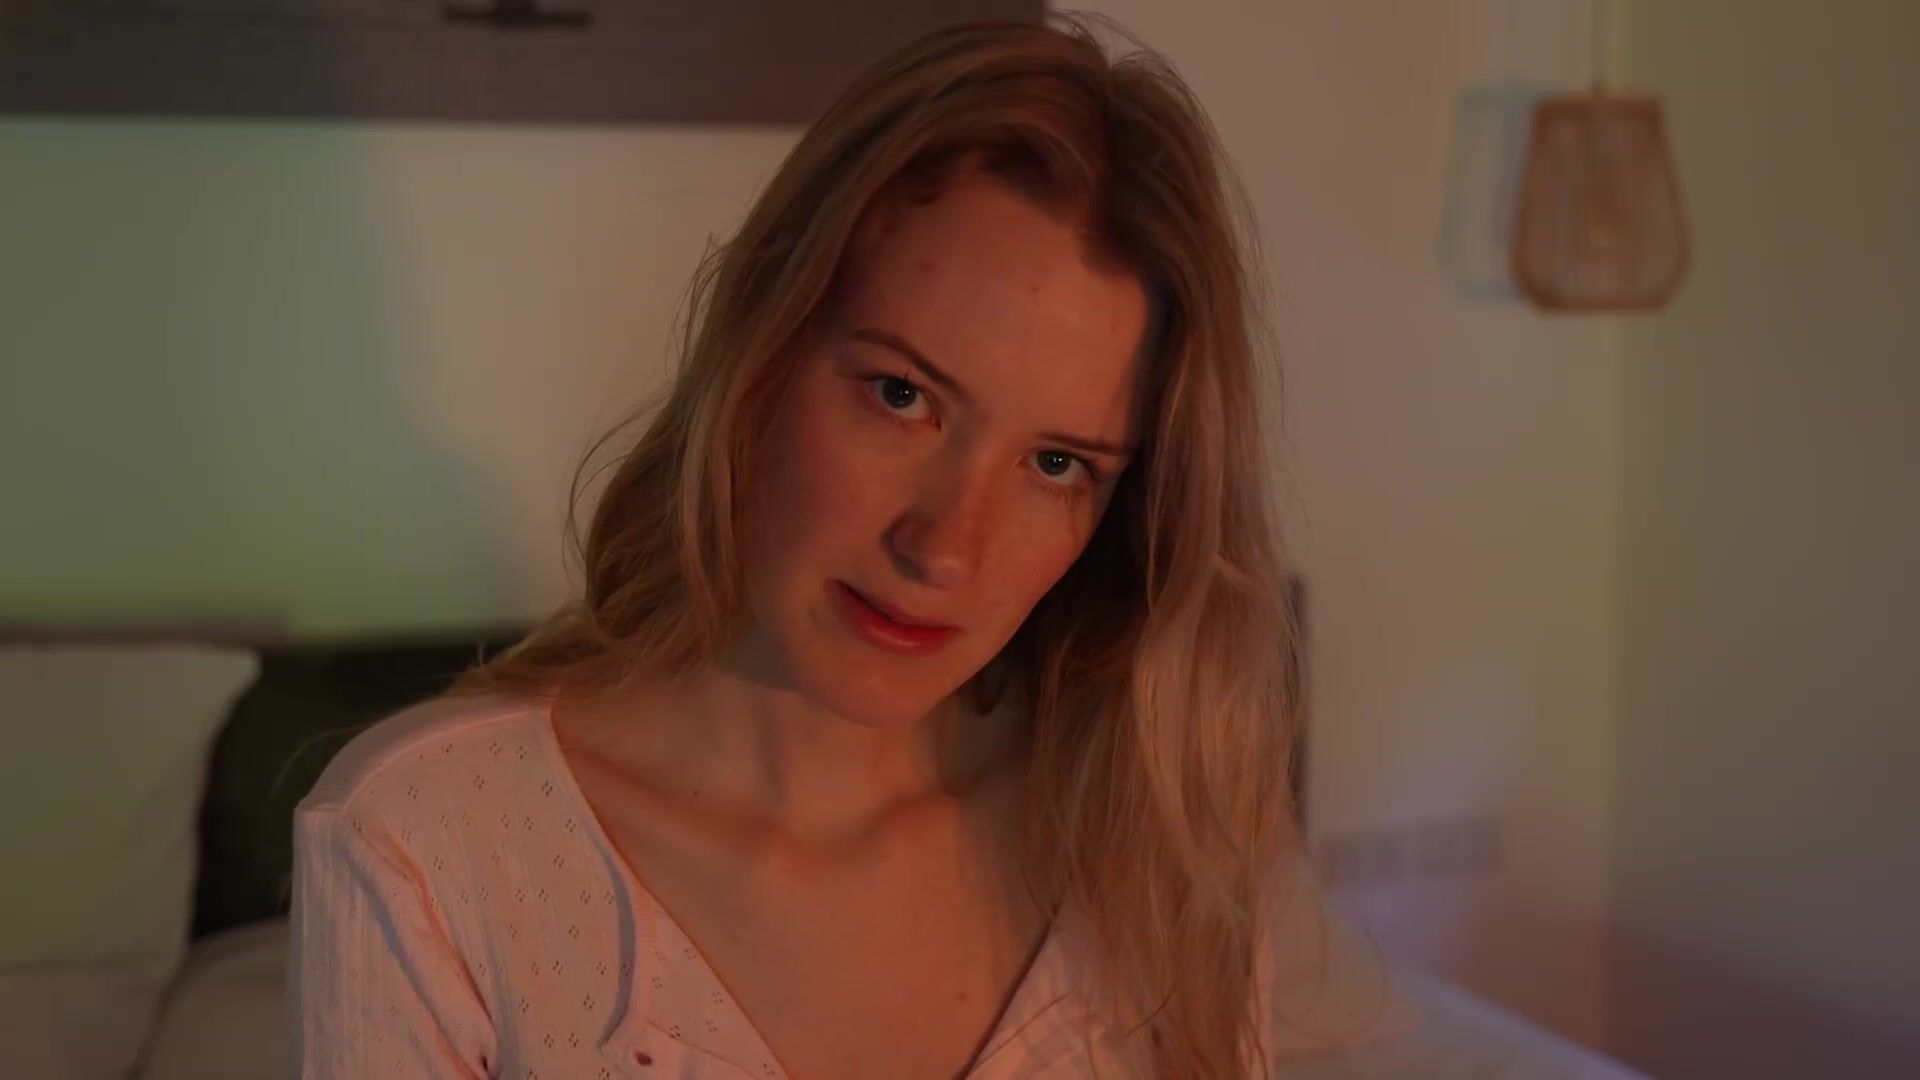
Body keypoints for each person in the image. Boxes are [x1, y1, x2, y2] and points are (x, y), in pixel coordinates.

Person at [289, 12, 1399, 1079]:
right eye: (902, 395)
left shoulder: (1160, 827)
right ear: (762, 356)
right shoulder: (430, 842)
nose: (945, 550)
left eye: (1059, 463)